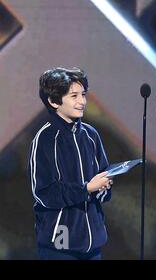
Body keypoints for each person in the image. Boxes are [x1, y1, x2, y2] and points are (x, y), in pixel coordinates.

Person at [27, 67, 113, 260]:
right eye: (74, 96)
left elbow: (103, 177)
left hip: (93, 244)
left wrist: (104, 187)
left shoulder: (91, 135)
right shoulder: (46, 139)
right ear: (54, 101)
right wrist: (87, 188)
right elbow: (44, 193)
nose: (82, 101)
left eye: (83, 94)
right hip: (60, 246)